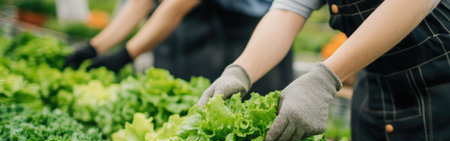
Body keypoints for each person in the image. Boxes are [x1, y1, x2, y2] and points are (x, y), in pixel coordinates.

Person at [198, 0, 449, 141]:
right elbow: (288, 9)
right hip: (374, 89)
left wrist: (325, 77)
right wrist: (240, 71)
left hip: (438, 87)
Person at [63, 0, 293, 97]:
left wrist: (125, 55)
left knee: (253, 113)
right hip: (206, 19)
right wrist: (95, 47)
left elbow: (176, 5)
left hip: (258, 28)